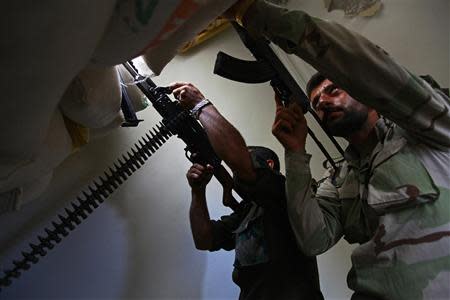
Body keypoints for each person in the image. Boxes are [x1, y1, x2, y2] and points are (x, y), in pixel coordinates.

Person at [224, 0, 450, 299]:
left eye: (334, 90)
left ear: (367, 95)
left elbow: (368, 70)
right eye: (316, 103)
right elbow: (313, 240)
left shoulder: (425, 130)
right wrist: (294, 153)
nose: (323, 103)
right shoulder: (340, 180)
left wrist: (253, 13)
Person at [170, 81, 324, 300]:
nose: (236, 168)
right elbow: (204, 239)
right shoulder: (246, 214)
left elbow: (242, 165)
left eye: (246, 155)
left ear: (269, 166)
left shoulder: (286, 194)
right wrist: (198, 191)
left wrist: (200, 105)